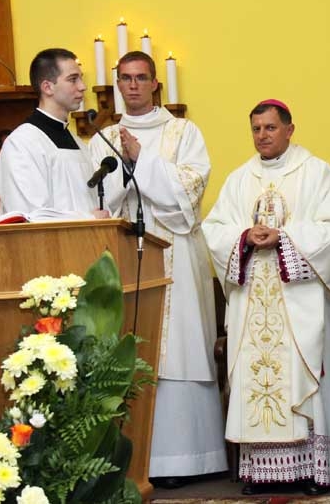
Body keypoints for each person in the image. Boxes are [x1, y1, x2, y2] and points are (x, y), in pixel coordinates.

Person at [202, 100, 330, 496]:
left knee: (303, 375)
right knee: (256, 379)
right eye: (256, 129)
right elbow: (214, 228)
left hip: (302, 301)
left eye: (271, 128)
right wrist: (244, 237)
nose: (263, 136)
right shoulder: (239, 179)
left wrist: (285, 238)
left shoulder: (316, 172)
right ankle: (262, 472)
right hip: (253, 300)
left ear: (290, 130)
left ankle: (315, 469)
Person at [88, 51, 226, 488]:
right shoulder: (102, 138)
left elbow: (191, 191)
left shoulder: (184, 132)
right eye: (126, 78)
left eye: (141, 77)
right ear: (117, 84)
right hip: (124, 255)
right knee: (131, 351)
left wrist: (142, 160)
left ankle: (189, 459)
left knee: (180, 348)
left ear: (154, 84)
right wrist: (128, 165)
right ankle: (134, 461)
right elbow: (94, 196)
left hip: (176, 254)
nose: (133, 85)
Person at [0, 48, 109, 219]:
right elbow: (28, 216)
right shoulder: (22, 144)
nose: (83, 86)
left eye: (81, 78)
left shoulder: (79, 144)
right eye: (73, 79)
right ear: (48, 87)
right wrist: (89, 219)